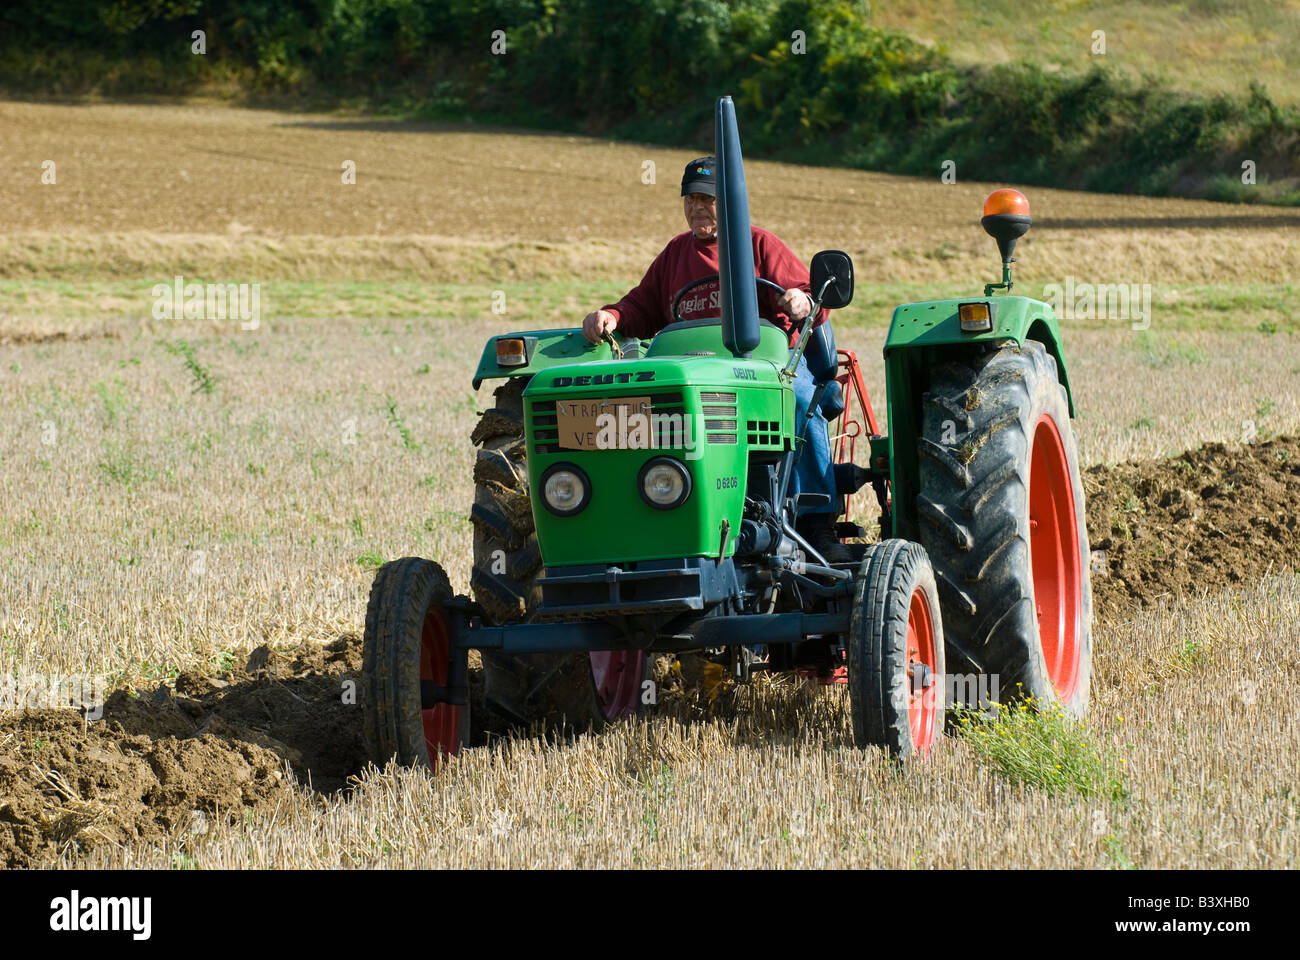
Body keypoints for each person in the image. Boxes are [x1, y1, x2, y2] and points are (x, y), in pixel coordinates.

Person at [580, 157, 845, 560]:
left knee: (801, 403)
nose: (696, 207)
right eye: (690, 198)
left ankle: (817, 523)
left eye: (706, 198)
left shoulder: (759, 244)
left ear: (729, 204)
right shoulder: (675, 254)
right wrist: (611, 316)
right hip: (696, 370)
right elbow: (642, 305)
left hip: (765, 366)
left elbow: (811, 296)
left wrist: (800, 300)